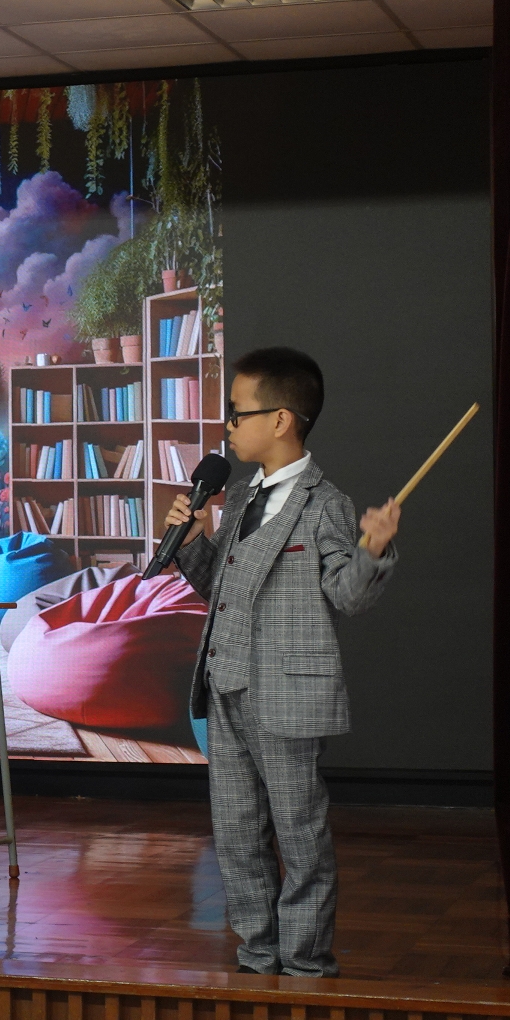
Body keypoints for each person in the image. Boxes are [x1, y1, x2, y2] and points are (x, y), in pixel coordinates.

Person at [166, 347, 400, 977]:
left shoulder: (326, 504)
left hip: (288, 695)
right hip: (226, 687)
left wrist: (374, 551)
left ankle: (305, 960)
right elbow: (222, 589)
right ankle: (257, 951)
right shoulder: (242, 497)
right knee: (237, 833)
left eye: (237, 413)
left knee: (299, 833)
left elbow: (346, 596)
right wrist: (194, 540)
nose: (227, 427)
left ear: (280, 420)